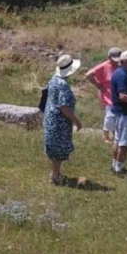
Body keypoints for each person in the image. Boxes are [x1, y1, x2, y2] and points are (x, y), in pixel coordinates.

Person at [43, 53, 84, 185]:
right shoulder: (63, 85)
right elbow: (64, 107)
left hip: (51, 117)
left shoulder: (54, 79)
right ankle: (55, 176)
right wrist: (76, 121)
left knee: (55, 147)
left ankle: (56, 173)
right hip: (59, 121)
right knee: (58, 148)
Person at [86, 47, 122, 145]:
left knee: (117, 117)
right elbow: (89, 75)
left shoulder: (120, 67)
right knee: (109, 116)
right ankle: (106, 136)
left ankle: (115, 136)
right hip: (108, 96)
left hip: (118, 96)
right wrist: (98, 85)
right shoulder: (104, 66)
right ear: (108, 57)